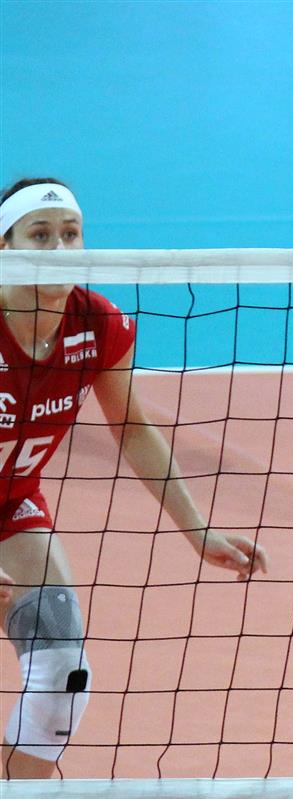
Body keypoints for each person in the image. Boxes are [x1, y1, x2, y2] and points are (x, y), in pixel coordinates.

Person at [0, 178, 269, 779]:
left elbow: (133, 428)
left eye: (71, 234)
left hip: (11, 508)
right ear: (4, 246)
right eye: (40, 235)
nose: (59, 249)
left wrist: (196, 529)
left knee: (63, 674)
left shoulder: (97, 324)